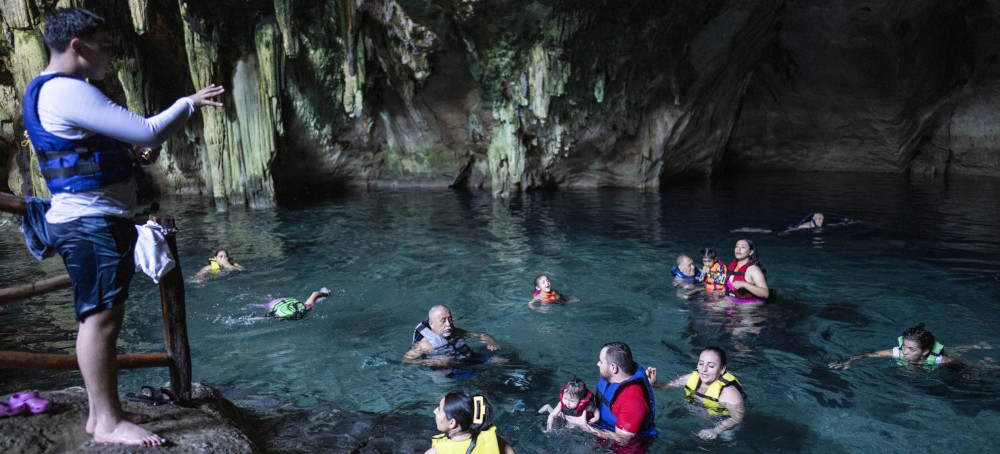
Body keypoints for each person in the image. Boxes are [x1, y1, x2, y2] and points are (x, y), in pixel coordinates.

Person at [22, 7, 224, 446]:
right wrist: (187, 104)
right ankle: (108, 422)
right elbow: (149, 131)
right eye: (106, 46)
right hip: (90, 224)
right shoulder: (67, 90)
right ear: (78, 46)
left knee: (101, 318)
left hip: (91, 219)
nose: (112, 55)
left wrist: (128, 156)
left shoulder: (52, 90)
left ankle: (101, 416)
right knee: (100, 321)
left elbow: (86, 148)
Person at [564, 342, 657, 452]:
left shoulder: (632, 400)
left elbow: (623, 440)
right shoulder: (612, 377)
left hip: (627, 447)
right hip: (604, 429)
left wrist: (585, 427)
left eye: (601, 361)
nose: (598, 364)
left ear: (613, 367)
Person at [646, 346, 746, 441]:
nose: (704, 369)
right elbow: (669, 385)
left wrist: (716, 430)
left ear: (722, 369)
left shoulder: (729, 393)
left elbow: (737, 417)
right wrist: (654, 384)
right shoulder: (690, 378)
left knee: (727, 437)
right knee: (665, 419)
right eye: (701, 363)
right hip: (694, 407)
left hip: (719, 417)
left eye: (711, 366)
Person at [826, 323, 981, 370]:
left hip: (939, 354)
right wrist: (847, 362)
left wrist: (978, 370)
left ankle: (975, 346)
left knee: (952, 351)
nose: (905, 352)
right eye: (904, 346)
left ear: (925, 351)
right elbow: (868, 354)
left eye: (911, 349)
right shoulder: (898, 352)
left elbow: (967, 364)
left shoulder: (940, 360)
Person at [403, 305, 501, 367]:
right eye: (443, 320)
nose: (448, 324)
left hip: (470, 359)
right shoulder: (425, 344)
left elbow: (482, 335)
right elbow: (406, 360)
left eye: (450, 319)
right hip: (451, 370)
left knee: (503, 361)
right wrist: (433, 363)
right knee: (480, 381)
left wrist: (490, 342)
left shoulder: (456, 332)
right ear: (431, 324)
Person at [427, 390, 516, 454]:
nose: (434, 411)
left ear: (452, 423)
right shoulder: (496, 442)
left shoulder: (435, 452)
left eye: (439, 409)